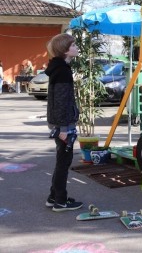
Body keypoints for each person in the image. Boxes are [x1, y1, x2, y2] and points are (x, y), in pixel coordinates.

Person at [45, 33, 83, 211]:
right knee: (64, 162)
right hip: (64, 125)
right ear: (65, 50)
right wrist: (62, 129)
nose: (76, 47)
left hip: (61, 123)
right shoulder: (62, 71)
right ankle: (60, 201)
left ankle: (54, 196)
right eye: (73, 45)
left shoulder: (58, 68)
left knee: (62, 160)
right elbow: (60, 102)